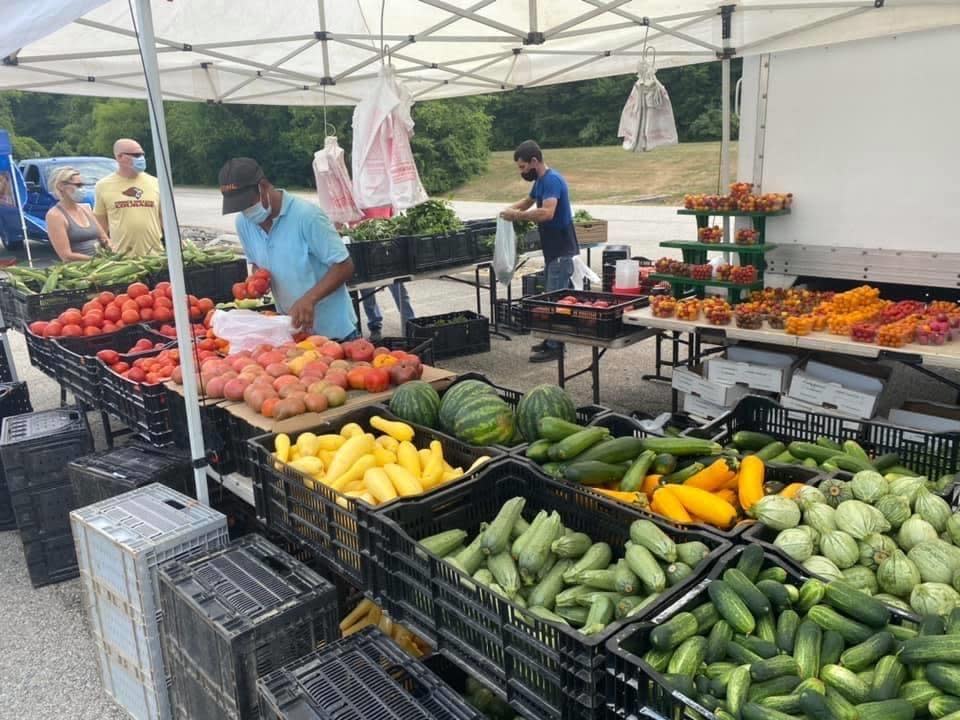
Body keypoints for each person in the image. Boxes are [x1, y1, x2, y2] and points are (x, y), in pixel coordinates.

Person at [219, 157, 358, 340]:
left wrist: (310, 299)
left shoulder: (307, 216)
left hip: (333, 333)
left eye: (247, 204)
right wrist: (258, 281)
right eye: (240, 208)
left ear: (263, 186)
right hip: (292, 331)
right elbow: (256, 265)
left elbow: (344, 266)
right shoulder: (244, 223)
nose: (245, 211)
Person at [501, 140, 579, 363]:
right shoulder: (540, 182)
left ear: (534, 161)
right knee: (551, 295)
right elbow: (528, 201)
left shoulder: (552, 181)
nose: (522, 172)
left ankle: (556, 346)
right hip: (553, 248)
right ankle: (550, 339)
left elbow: (547, 213)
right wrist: (508, 210)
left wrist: (516, 216)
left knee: (554, 299)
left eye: (523, 167)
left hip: (561, 246)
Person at [94, 138, 163, 256]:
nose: (141, 158)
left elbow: (164, 219)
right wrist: (105, 246)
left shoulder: (156, 182)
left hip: (155, 256)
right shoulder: (103, 186)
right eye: (136, 155)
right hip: (122, 259)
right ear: (120, 157)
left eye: (142, 154)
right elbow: (100, 224)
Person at [45, 166, 110, 262]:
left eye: (83, 185)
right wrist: (95, 260)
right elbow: (66, 256)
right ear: (61, 186)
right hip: (81, 268)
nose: (82, 189)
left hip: (102, 263)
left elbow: (104, 238)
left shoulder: (86, 208)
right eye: (78, 185)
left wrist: (112, 250)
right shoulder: (55, 216)